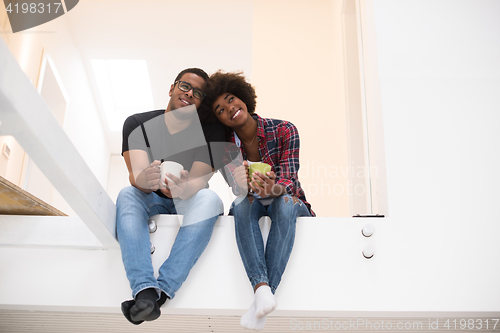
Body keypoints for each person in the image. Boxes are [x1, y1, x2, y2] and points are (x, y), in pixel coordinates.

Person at [205, 71, 315, 331]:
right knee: (241, 204)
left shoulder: (285, 129)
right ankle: (262, 291)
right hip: (253, 203)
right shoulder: (227, 149)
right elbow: (238, 191)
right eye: (220, 109)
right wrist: (241, 183)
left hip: (290, 202)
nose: (229, 108)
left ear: (243, 97)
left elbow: (289, 179)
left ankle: (261, 296)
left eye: (231, 99)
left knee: (284, 203)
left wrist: (275, 189)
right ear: (218, 118)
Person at [116, 68, 225, 325]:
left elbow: (198, 182)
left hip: (187, 198)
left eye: (198, 93)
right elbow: (136, 178)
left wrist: (181, 188)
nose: (189, 94)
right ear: (172, 88)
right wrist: (146, 179)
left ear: (201, 103)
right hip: (150, 197)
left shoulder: (212, 133)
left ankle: (160, 293)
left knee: (211, 200)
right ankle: (144, 290)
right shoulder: (137, 124)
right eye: (185, 86)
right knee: (127, 194)